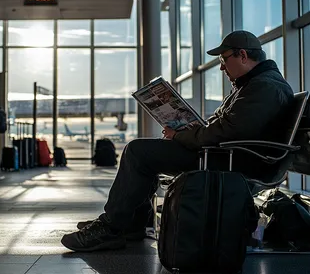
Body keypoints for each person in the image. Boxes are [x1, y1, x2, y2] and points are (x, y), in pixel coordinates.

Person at [61, 30, 294, 252]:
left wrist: (180, 135)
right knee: (146, 153)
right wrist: (186, 127)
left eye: (224, 59)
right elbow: (225, 129)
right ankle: (129, 224)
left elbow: (225, 133)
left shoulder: (264, 87)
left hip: (232, 161)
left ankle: (111, 228)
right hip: (227, 155)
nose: (222, 66)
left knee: (138, 152)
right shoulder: (254, 85)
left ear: (242, 55)